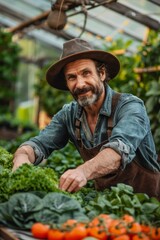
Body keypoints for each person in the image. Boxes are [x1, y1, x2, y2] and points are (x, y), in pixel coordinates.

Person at [13, 38, 160, 199]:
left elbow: (119, 151)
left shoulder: (130, 107)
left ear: (102, 73)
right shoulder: (69, 115)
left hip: (147, 208)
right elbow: (39, 144)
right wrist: (22, 156)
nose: (80, 84)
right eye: (72, 77)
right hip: (106, 206)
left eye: (86, 73)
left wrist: (82, 171)